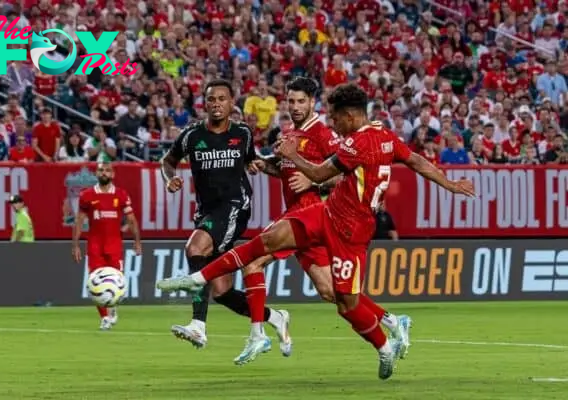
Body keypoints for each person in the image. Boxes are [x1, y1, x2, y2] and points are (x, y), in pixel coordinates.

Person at [157, 83, 475, 379]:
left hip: (351, 232)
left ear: (349, 116)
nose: (333, 123)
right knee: (265, 242)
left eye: (335, 117)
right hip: (325, 213)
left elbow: (321, 172)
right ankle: (198, 280)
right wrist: (450, 184)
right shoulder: (383, 135)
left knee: (343, 302)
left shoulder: (355, 143)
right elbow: (417, 161)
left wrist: (294, 158)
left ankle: (385, 343)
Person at [230, 76, 409, 365]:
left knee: (253, 262)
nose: (296, 106)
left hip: (312, 214)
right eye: (291, 101)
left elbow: (343, 174)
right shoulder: (290, 134)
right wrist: (265, 166)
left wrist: (316, 183)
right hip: (297, 214)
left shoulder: (325, 134)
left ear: (312, 103)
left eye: (301, 101)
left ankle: (259, 333)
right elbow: (287, 172)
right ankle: (391, 320)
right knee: (331, 293)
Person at [159, 79, 289, 350]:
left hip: (235, 206)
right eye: (211, 99)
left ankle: (198, 326)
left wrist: (256, 165)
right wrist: (169, 179)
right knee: (222, 291)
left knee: (195, 247)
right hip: (207, 211)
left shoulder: (242, 133)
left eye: (221, 99)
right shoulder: (192, 135)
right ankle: (275, 317)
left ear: (232, 103)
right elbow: (168, 161)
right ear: (204, 104)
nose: (216, 104)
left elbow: (252, 158)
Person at [71, 162, 142, 330]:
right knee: (94, 281)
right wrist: (75, 245)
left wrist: (137, 241)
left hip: (114, 246)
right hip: (95, 246)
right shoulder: (87, 195)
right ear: (96, 173)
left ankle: (112, 307)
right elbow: (79, 220)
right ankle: (104, 317)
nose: (104, 173)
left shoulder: (121, 195)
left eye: (107, 170)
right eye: (101, 170)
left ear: (113, 174)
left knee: (116, 280)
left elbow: (131, 219)